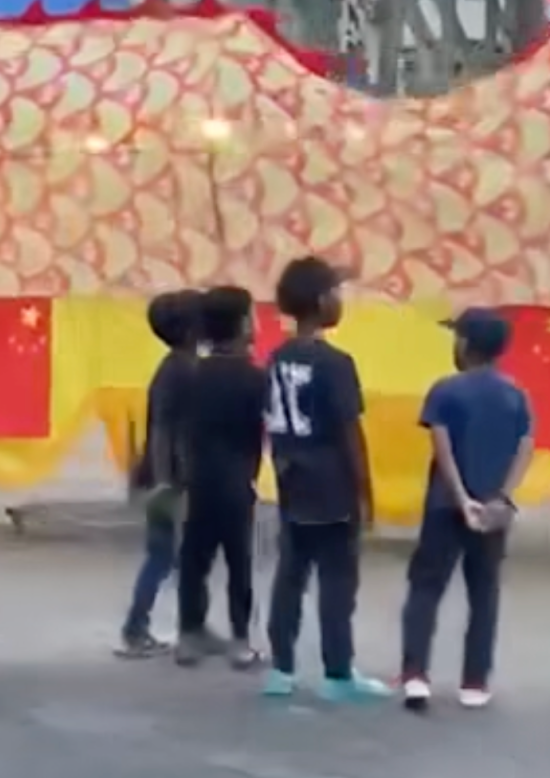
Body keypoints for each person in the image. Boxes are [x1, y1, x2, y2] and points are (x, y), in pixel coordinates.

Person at [260, 257, 391, 702]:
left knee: (290, 575)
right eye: (336, 292)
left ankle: (281, 669)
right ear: (320, 302)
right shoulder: (336, 363)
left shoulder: (276, 358)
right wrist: (366, 493)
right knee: (337, 580)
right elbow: (349, 433)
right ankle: (338, 672)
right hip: (332, 485)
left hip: (292, 482)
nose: (341, 300)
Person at [400, 307, 534, 711]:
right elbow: (526, 447)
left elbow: (442, 447)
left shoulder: (446, 390)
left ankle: (415, 675)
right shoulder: (516, 394)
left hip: (445, 506)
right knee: (484, 593)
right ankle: (474, 682)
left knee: (426, 587)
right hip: (493, 512)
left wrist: (462, 498)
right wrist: (502, 499)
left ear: (466, 345)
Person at [175, 286, 266, 670]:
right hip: (236, 479)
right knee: (238, 562)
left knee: (194, 558)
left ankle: (189, 635)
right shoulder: (255, 378)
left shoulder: (192, 374)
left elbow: (181, 429)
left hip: (198, 479)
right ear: (244, 324)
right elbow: (257, 434)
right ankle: (241, 641)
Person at [116, 290, 203, 659]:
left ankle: (178, 627)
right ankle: (140, 629)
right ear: (189, 329)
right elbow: (165, 430)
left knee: (171, 556)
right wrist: (167, 481)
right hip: (169, 480)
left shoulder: (177, 366)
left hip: (163, 476)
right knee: (166, 555)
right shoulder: (181, 370)